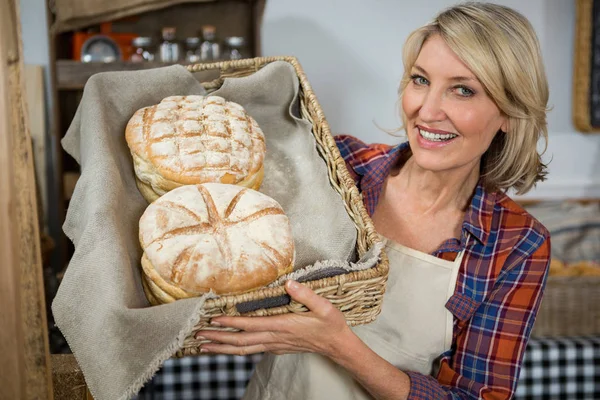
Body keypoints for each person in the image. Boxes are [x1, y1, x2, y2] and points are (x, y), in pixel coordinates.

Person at [195, 2, 551, 399]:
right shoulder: (342, 165)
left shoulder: (517, 244)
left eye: (462, 90)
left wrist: (338, 345)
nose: (427, 110)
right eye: (420, 80)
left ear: (509, 112)